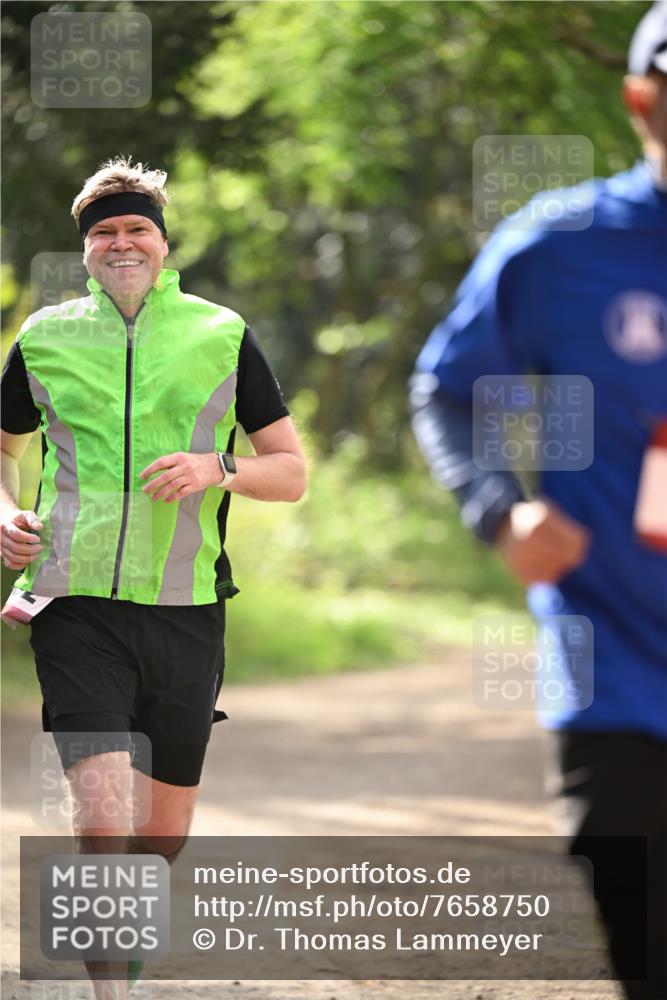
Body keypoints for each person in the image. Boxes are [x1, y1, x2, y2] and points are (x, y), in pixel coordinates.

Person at [0, 156, 307, 997]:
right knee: (102, 823)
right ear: (86, 250)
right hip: (73, 605)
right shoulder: (44, 338)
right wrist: (4, 514)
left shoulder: (221, 334)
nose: (121, 242)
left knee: (159, 838)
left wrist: (218, 468)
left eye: (137, 228)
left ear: (164, 244)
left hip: (186, 609)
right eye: (105, 231)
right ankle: (110, 992)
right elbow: (3, 451)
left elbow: (290, 471)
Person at [409, 5, 667, 999]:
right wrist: (495, 506)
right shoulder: (557, 248)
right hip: (612, 662)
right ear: (640, 99)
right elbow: (447, 387)